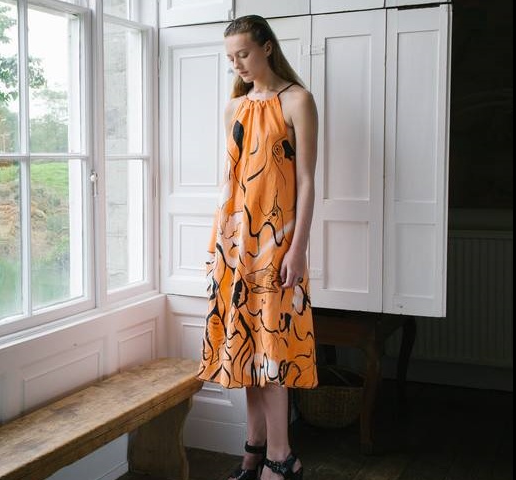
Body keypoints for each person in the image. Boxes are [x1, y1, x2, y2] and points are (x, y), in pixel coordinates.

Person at [196, 14, 319, 480]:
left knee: (272, 349)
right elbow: (231, 181)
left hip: (276, 244)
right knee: (245, 349)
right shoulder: (234, 108)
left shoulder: (297, 100)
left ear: (267, 47)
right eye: (231, 58)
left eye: (243, 54)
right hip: (234, 242)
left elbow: (306, 182)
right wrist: (219, 248)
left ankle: (283, 458)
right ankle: (255, 447)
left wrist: (297, 248)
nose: (238, 65)